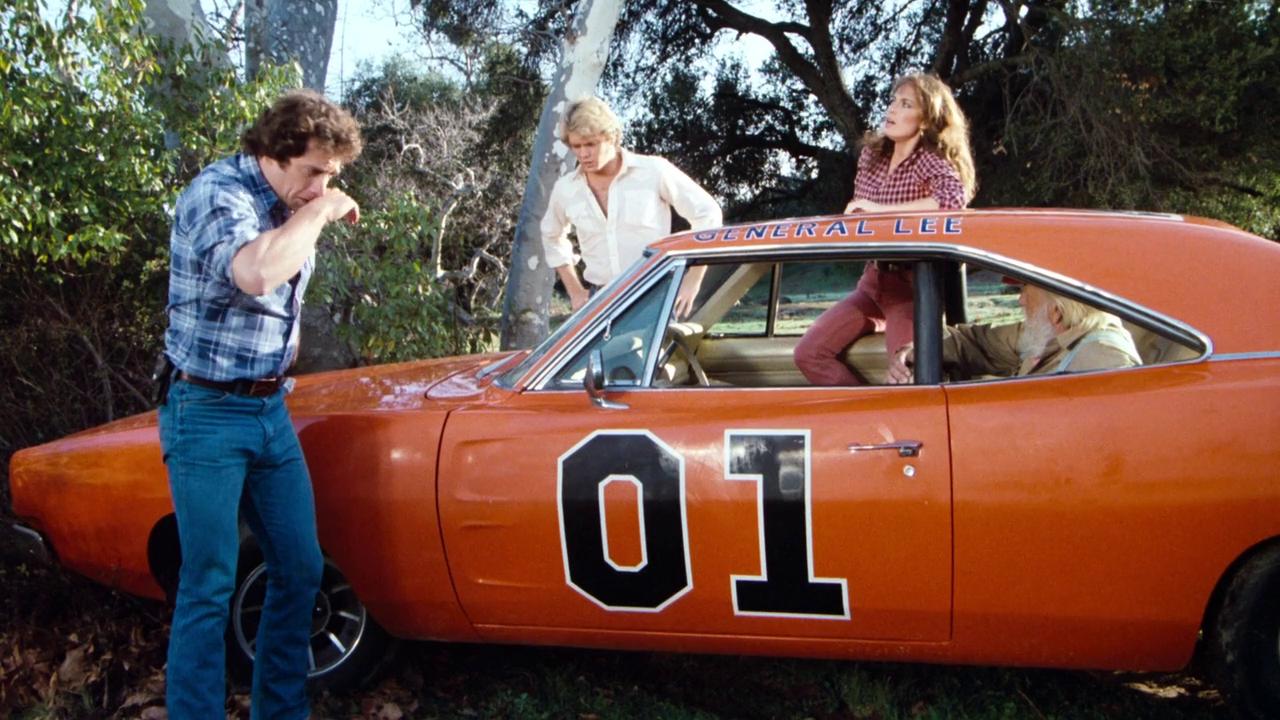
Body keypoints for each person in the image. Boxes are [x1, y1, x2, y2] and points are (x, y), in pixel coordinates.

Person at [158, 89, 362, 720]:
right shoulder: (219, 194)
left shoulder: (285, 199)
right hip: (206, 411)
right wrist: (320, 212)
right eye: (315, 171)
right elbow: (254, 273)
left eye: (332, 175)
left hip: (269, 412)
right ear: (276, 153)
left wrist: (310, 204)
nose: (323, 185)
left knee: (299, 569)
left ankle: (280, 710)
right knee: (209, 584)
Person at [794, 73, 976, 385]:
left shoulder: (928, 159)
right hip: (872, 282)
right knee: (808, 353)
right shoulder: (872, 155)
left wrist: (879, 212)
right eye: (893, 101)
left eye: (905, 104)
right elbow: (860, 213)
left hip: (913, 288)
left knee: (905, 371)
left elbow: (952, 200)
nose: (891, 110)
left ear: (925, 120)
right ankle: (863, 421)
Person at [541, 96, 723, 317]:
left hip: (654, 294)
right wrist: (576, 291)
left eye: (590, 144)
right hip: (600, 301)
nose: (583, 154)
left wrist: (692, 280)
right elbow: (551, 235)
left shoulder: (653, 171)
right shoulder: (566, 189)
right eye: (576, 146)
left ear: (612, 137)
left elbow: (708, 214)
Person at [886, 284, 1142, 383]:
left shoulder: (1105, 356)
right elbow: (971, 341)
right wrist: (915, 352)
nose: (1020, 300)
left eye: (1025, 290)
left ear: (1055, 311)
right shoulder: (1041, 334)